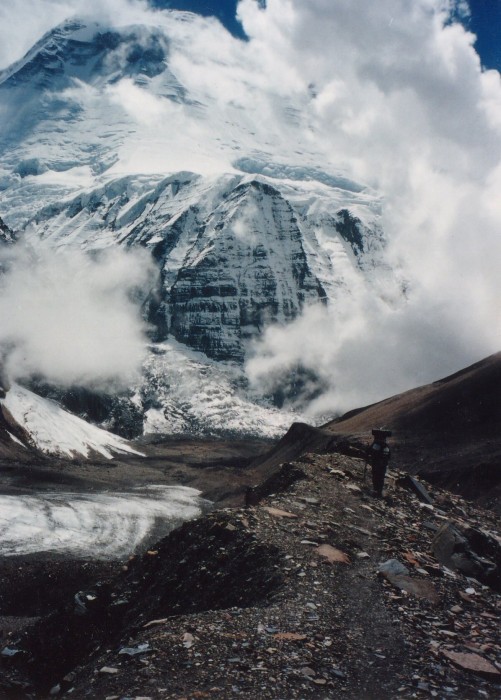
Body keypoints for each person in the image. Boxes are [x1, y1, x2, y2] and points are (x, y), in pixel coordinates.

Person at [368, 429, 391, 497]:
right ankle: (379, 492)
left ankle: (376, 491)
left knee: (375, 477)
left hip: (376, 464)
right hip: (383, 465)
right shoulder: (386, 446)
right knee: (381, 478)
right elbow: (389, 456)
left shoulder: (376, 444)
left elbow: (371, 452)